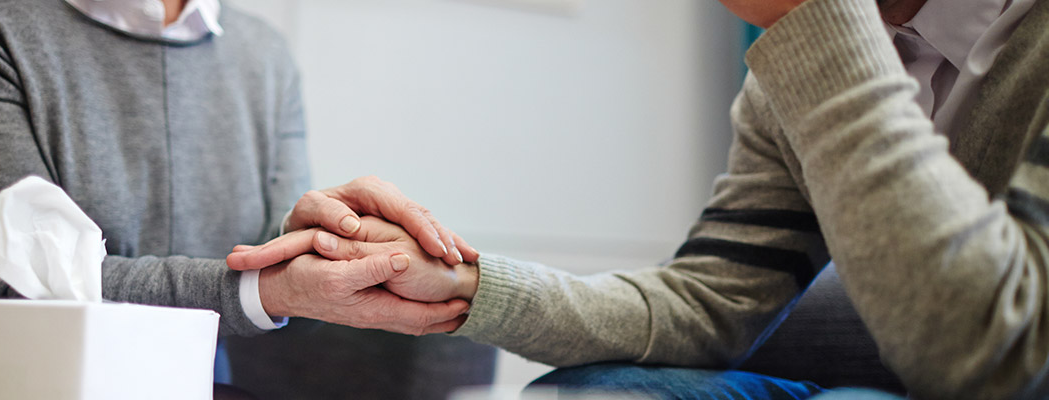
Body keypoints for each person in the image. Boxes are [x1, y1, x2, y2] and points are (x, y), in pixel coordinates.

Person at [227, 0, 1049, 397]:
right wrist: (464, 285)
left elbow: (994, 350)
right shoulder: (797, 66)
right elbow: (712, 300)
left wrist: (812, 13)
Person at [0, 0, 476, 398]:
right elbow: (32, 284)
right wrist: (267, 286)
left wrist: (328, 237)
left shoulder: (263, 56)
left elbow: (277, 260)